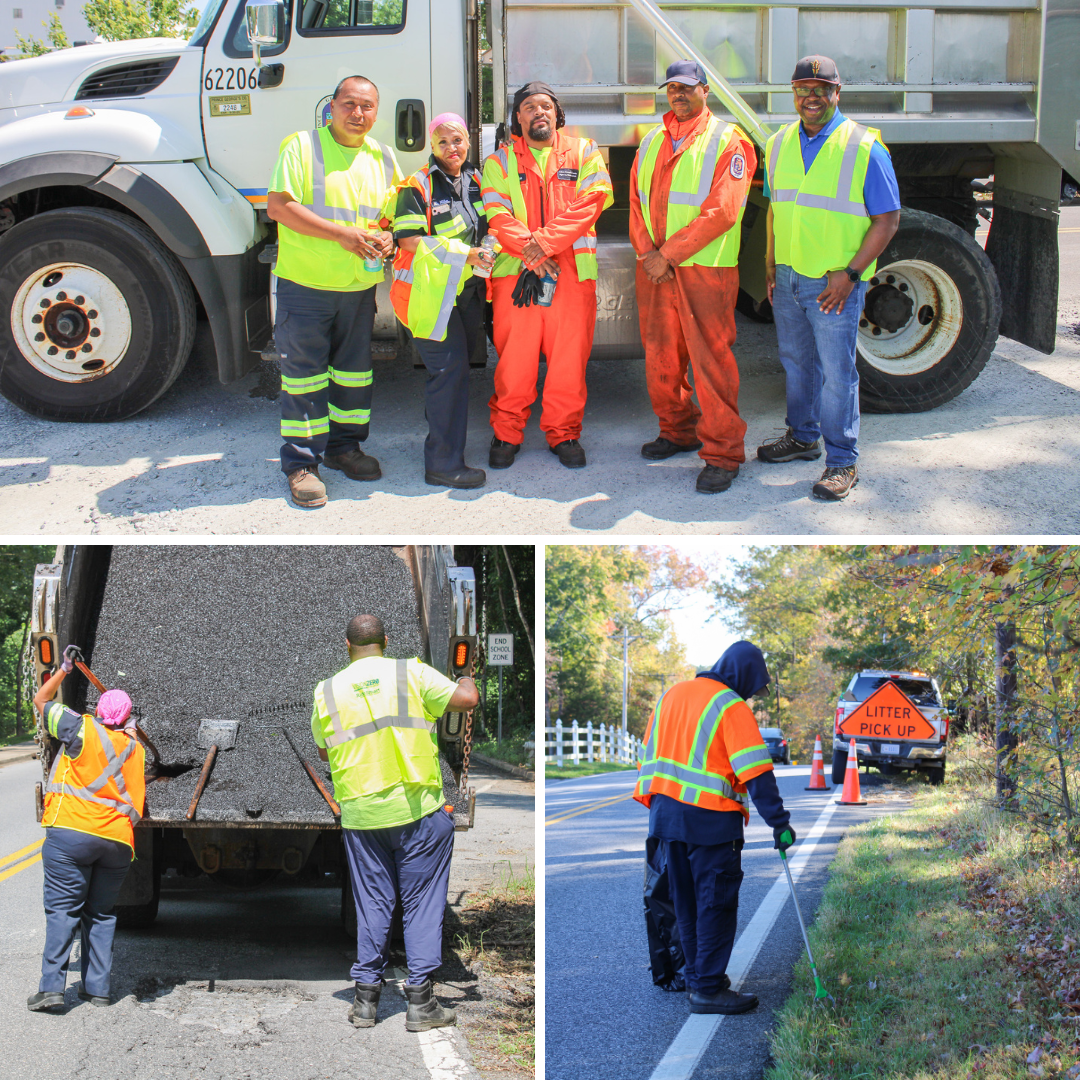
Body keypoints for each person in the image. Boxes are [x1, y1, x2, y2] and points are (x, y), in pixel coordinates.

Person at [311, 614, 479, 1032]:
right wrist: (467, 675)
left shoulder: (327, 691)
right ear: (385, 641)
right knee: (421, 902)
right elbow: (465, 700)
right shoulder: (411, 672)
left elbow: (323, 751)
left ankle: (365, 999)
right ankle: (421, 1002)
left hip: (362, 815)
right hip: (418, 810)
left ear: (346, 645)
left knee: (373, 903)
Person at [758, 55, 901, 501]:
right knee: (797, 364)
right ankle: (803, 437)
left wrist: (852, 274)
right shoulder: (779, 143)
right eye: (803, 88)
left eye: (821, 88)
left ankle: (842, 462)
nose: (811, 96)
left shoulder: (864, 147)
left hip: (833, 284)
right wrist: (769, 263)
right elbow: (776, 211)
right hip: (788, 276)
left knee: (838, 374)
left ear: (837, 93)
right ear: (794, 94)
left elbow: (888, 220)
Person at [633, 641, 795, 1014]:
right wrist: (780, 824)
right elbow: (756, 772)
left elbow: (650, 756)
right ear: (744, 676)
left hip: (665, 820)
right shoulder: (729, 706)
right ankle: (707, 989)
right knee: (715, 906)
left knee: (686, 904)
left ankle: (698, 977)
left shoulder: (672, 695)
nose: (751, 696)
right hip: (709, 822)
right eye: (753, 688)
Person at [267, 75, 403, 508]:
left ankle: (346, 448)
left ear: (376, 112)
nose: (358, 114)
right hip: (306, 285)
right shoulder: (302, 146)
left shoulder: (384, 156)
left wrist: (389, 238)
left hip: (358, 289)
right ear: (332, 106)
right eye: (349, 104)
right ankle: (302, 465)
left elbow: (398, 214)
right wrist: (340, 235)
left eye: (367, 107)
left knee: (353, 375)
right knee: (304, 377)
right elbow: (279, 206)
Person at [630, 60, 757, 495]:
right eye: (672, 88)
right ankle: (677, 430)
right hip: (656, 269)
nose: (678, 94)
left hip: (705, 268)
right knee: (661, 355)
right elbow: (635, 202)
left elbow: (722, 211)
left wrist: (666, 254)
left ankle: (723, 454)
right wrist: (649, 254)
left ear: (705, 89)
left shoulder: (729, 142)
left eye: (687, 87)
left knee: (710, 361)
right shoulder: (651, 142)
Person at [481, 81, 613, 470]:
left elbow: (592, 201)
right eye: (528, 108)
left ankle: (564, 433)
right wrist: (533, 252)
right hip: (517, 275)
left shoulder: (586, 151)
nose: (538, 112)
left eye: (545, 106)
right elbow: (497, 214)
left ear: (558, 114)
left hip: (570, 276)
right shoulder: (498, 162)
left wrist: (542, 245)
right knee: (514, 362)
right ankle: (506, 433)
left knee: (568, 360)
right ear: (517, 118)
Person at [27, 646, 145, 1013]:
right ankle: (98, 990)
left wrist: (63, 669)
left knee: (63, 912)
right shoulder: (134, 748)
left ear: (98, 711)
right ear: (127, 719)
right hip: (116, 842)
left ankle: (51, 990)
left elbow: (40, 699)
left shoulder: (78, 727)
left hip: (70, 836)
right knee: (102, 913)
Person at [391, 112, 494, 489]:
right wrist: (465, 255)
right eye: (443, 142)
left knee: (453, 374)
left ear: (468, 142)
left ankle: (442, 437)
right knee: (449, 374)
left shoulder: (475, 180)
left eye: (458, 141)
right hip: (430, 297)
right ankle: (443, 464)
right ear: (431, 147)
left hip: (464, 293)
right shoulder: (418, 185)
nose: (452, 148)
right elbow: (409, 241)